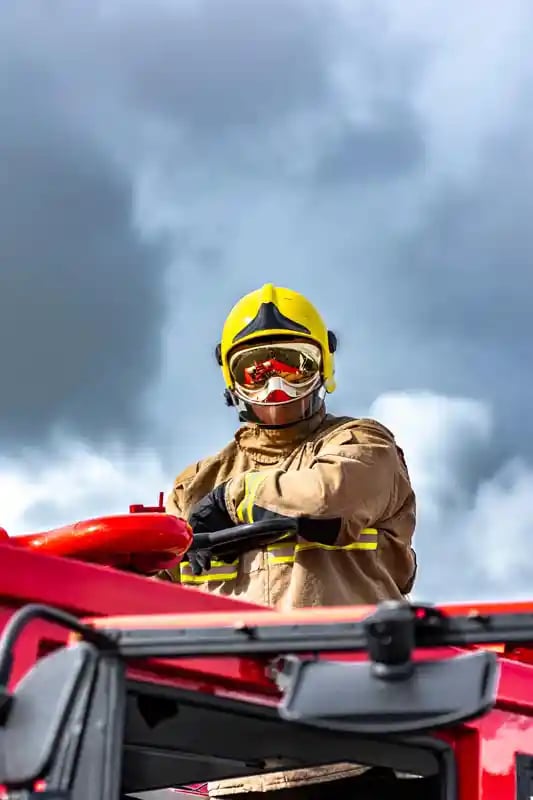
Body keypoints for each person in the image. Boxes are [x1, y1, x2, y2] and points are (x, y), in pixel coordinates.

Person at [161, 283, 418, 798]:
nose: (274, 383)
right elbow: (156, 588)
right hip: (239, 758)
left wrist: (237, 498)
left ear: (321, 368)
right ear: (232, 381)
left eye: (292, 364)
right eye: (256, 370)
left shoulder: (364, 446)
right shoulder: (195, 482)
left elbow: (328, 495)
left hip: (355, 749)